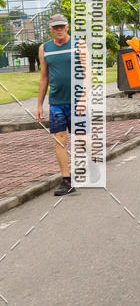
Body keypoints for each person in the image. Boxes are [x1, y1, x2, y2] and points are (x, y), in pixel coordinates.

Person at [36, 14, 86, 195]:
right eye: (55, 27)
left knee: (82, 139)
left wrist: (84, 98)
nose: (58, 29)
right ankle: (67, 181)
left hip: (77, 101)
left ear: (67, 27)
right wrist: (40, 104)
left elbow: (88, 74)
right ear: (50, 29)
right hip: (56, 102)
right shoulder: (44, 49)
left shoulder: (78, 44)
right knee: (60, 140)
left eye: (61, 26)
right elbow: (44, 77)